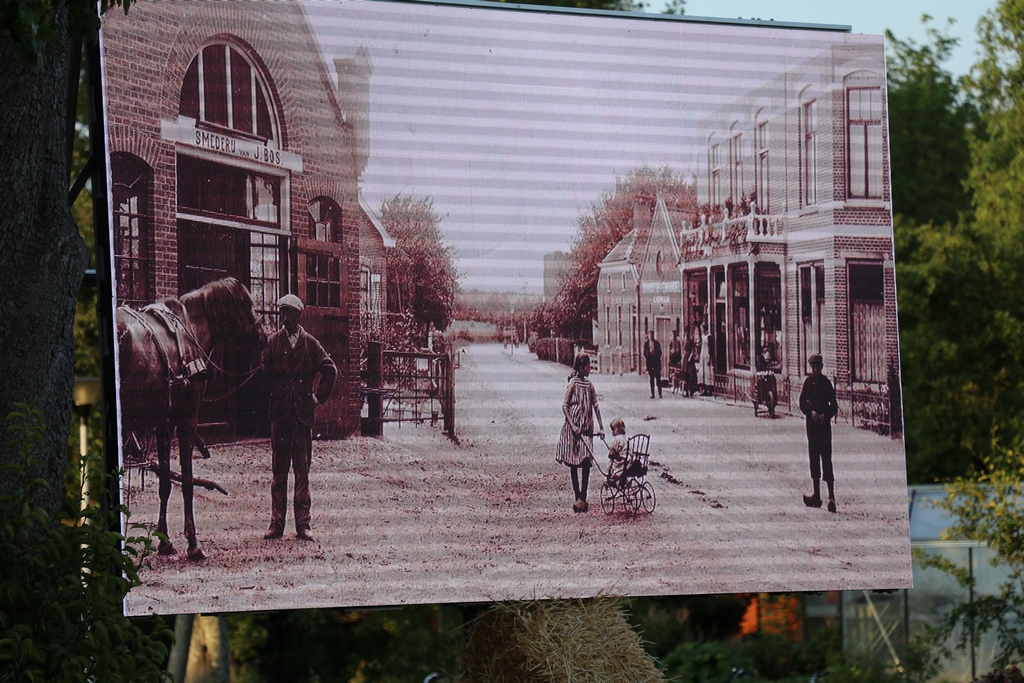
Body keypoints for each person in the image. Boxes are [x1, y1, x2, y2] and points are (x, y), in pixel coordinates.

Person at [262, 294, 338, 541]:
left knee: (302, 472)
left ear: (297, 315)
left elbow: (330, 370)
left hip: (302, 418)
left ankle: (303, 524)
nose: (283, 318)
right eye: (281, 312)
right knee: (279, 472)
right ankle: (276, 523)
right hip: (280, 418)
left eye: (287, 313)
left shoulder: (310, 344)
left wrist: (317, 398)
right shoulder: (273, 342)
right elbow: (262, 373)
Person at [555, 354, 604, 513]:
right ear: (581, 368)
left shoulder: (589, 385)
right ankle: (578, 497)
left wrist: (601, 427)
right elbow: (565, 406)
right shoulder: (573, 384)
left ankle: (583, 496)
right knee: (574, 463)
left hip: (586, 430)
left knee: (586, 462)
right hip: (573, 431)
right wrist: (572, 425)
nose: (590, 369)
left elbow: (596, 406)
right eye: (588, 367)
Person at [799, 353, 839, 513]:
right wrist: (811, 412)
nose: (815, 369)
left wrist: (825, 415)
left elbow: (834, 406)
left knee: (827, 459)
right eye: (813, 367)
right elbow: (802, 402)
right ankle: (816, 495)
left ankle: (831, 497)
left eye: (817, 366)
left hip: (824, 428)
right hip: (812, 427)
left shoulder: (826, 383)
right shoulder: (808, 383)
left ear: (821, 367)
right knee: (814, 459)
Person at [605, 418, 628, 485]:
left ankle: (611, 478)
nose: (612, 432)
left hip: (619, 463)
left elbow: (613, 452)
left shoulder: (617, 439)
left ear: (619, 429)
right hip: (626, 462)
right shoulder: (624, 438)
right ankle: (623, 481)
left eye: (613, 429)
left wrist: (610, 454)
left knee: (610, 464)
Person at [643, 330, 663, 399]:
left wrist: (656, 356)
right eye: (650, 334)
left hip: (656, 362)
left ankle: (660, 393)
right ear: (648, 335)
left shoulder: (656, 343)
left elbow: (660, 352)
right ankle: (652, 394)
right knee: (651, 379)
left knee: (658, 378)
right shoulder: (646, 344)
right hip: (650, 362)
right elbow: (644, 353)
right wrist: (648, 357)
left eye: (652, 334)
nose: (651, 336)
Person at [698, 322, 713, 396]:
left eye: (702, 329)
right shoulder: (702, 336)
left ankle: (709, 390)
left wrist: (709, 356)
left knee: (707, 372)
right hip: (702, 355)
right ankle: (704, 390)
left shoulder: (709, 336)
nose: (702, 330)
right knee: (702, 372)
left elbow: (711, 347)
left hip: (707, 355)